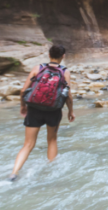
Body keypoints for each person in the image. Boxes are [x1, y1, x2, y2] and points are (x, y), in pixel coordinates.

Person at [10, 44, 75, 181]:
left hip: (34, 109)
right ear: (63, 56)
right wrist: (71, 111)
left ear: (49, 54)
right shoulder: (65, 72)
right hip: (54, 110)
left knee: (28, 144)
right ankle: (52, 173)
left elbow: (23, 91)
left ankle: (14, 172)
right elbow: (68, 95)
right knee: (52, 140)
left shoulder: (38, 68)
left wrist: (23, 106)